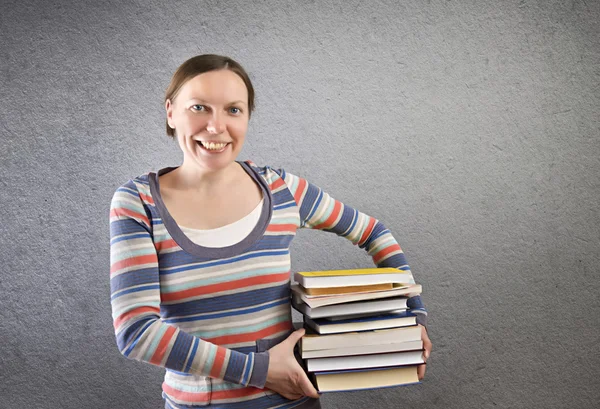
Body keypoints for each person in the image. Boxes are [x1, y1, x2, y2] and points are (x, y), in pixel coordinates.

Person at [109, 54, 432, 409]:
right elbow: (136, 332)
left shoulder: (280, 190)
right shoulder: (138, 202)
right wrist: (259, 370)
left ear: (247, 117)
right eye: (199, 107)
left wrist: (410, 319)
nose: (216, 127)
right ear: (171, 111)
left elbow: (374, 232)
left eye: (233, 110)